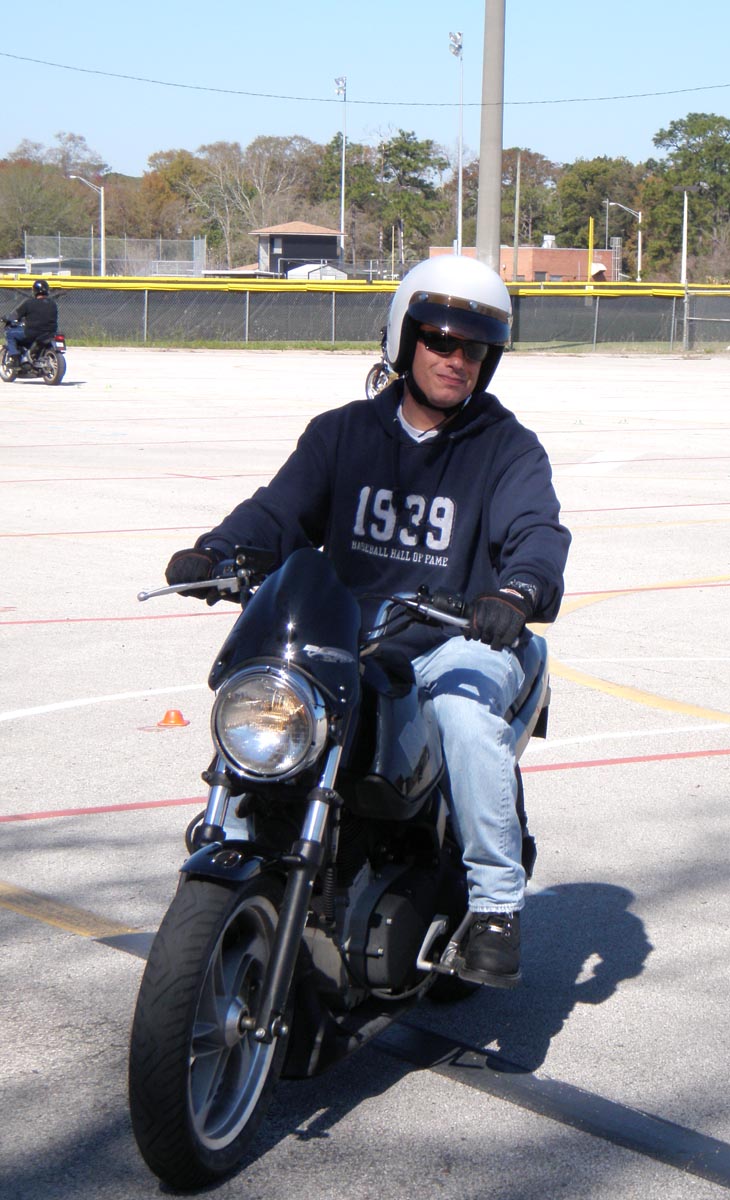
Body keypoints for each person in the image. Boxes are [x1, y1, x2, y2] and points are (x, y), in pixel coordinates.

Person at [164, 254, 571, 988]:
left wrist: (515, 593)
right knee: (267, 689)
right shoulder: (342, 433)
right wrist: (218, 552)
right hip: (349, 638)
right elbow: (279, 511)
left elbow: (537, 532)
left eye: (475, 348)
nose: (457, 360)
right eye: (440, 341)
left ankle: (495, 906)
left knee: (464, 715)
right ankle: (240, 836)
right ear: (405, 338)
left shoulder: (507, 448)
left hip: (456, 640)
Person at [4, 279, 58, 363]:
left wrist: (7, 319)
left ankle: (15, 358)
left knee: (10, 334)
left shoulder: (29, 303)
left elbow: (16, 315)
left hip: (32, 333)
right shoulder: (53, 304)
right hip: (50, 333)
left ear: (34, 291)